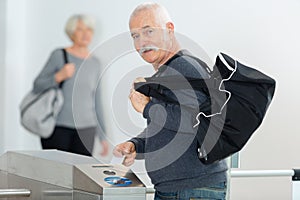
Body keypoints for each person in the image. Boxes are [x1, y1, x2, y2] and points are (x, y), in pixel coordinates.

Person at [113, 3, 228, 200]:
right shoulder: (169, 71)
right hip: (182, 188)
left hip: (190, 189)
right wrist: (136, 144)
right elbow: (170, 125)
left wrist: (147, 107)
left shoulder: (184, 67)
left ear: (169, 29)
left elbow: (194, 121)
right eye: (135, 35)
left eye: (148, 31)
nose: (142, 42)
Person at [33, 14, 108, 157]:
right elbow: (37, 85)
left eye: (89, 30)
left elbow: (97, 101)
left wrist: (103, 136)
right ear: (71, 33)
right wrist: (58, 76)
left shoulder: (95, 63)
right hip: (58, 128)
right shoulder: (59, 55)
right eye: (80, 29)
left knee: (79, 176)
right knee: (55, 175)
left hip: (86, 131)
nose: (86, 34)